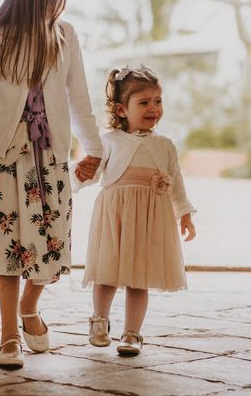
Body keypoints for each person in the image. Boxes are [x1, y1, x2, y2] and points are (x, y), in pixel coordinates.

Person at [0, 0, 102, 369]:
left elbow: (80, 100)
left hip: (51, 159)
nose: (64, 0)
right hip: (3, 159)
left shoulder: (66, 35)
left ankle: (29, 306)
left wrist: (96, 151)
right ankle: (7, 336)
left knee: (52, 247)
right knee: (7, 249)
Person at [72, 66, 197, 357]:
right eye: (144, 102)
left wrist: (185, 213)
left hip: (150, 218)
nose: (154, 108)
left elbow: (175, 181)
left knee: (140, 278)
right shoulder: (109, 141)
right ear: (121, 109)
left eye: (158, 101)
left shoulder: (165, 146)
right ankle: (99, 321)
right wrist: (78, 173)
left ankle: (132, 333)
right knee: (106, 272)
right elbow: (91, 173)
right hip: (115, 215)